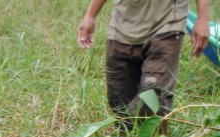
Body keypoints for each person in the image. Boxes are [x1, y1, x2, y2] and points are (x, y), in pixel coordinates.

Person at [78, 0, 211, 125]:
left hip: (167, 24)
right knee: (119, 101)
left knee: (153, 95)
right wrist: (90, 16)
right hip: (123, 25)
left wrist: (203, 18)